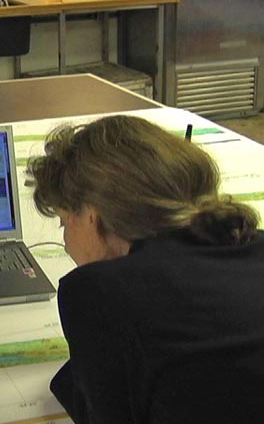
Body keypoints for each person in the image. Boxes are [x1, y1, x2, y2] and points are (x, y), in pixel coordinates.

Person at [26, 114, 264, 423]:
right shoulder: (251, 244)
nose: (66, 242)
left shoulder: (97, 292)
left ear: (91, 217)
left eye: (63, 222)